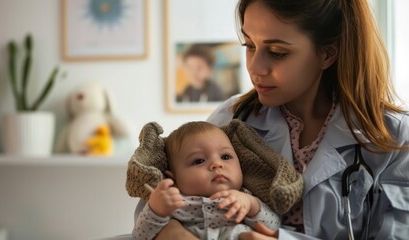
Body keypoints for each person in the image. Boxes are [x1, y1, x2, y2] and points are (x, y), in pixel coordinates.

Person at [149, 0, 409, 239]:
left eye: (276, 52)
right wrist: (173, 232)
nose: (254, 67)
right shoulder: (233, 117)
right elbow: (156, 198)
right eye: (250, 46)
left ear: (327, 54)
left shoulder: (395, 138)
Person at [133, 121, 281, 240]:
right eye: (199, 161)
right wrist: (155, 209)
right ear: (174, 179)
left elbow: (273, 228)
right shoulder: (175, 203)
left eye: (225, 157)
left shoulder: (243, 197)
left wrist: (251, 205)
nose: (217, 164)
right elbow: (141, 236)